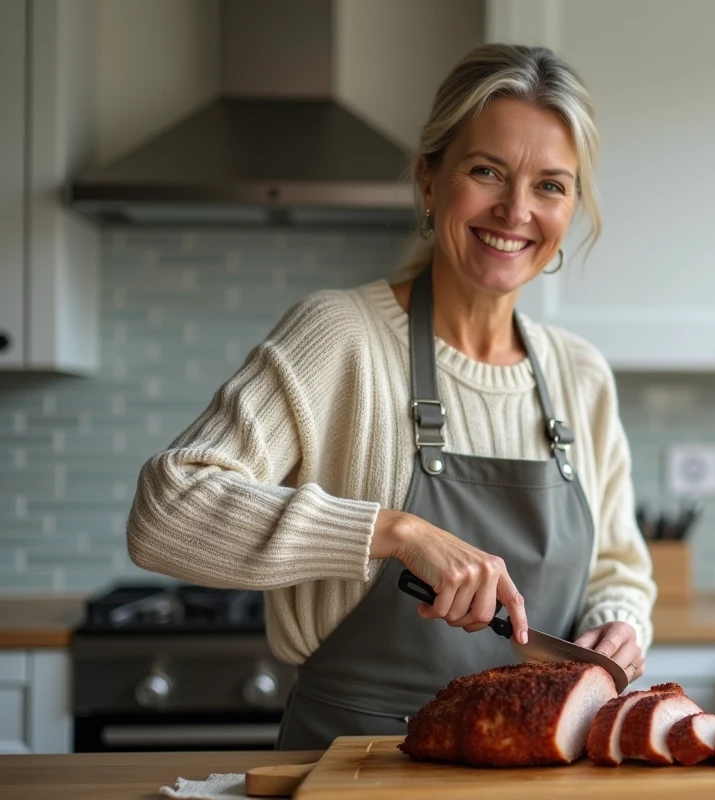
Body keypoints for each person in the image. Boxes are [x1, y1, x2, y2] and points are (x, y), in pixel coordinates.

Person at [126, 43, 656, 750]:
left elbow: (621, 566)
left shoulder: (579, 375)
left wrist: (620, 623)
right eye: (486, 171)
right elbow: (165, 512)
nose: (516, 210)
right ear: (430, 180)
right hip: (359, 768)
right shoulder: (340, 337)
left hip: (536, 766)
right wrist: (395, 532)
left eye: (551, 186)